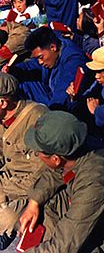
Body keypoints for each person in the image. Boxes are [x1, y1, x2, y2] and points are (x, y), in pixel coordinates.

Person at [19, 110, 104, 252]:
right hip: (97, 220)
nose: (37, 155)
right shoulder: (78, 145)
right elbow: (55, 173)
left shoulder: (93, 181)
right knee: (47, 201)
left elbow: (64, 246)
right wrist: (34, 202)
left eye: (38, 153)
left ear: (56, 158)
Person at [0, 74, 47, 249]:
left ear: (3, 103)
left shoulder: (37, 116)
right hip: (7, 180)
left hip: (29, 188)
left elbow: (43, 173)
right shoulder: (2, 118)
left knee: (7, 216)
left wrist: (6, 193)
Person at [14, 26, 87, 112]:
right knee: (22, 82)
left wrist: (51, 116)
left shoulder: (74, 60)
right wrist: (12, 70)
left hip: (62, 102)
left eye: (40, 57)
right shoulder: (53, 50)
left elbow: (62, 91)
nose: (40, 62)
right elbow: (31, 64)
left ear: (53, 47)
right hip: (49, 91)